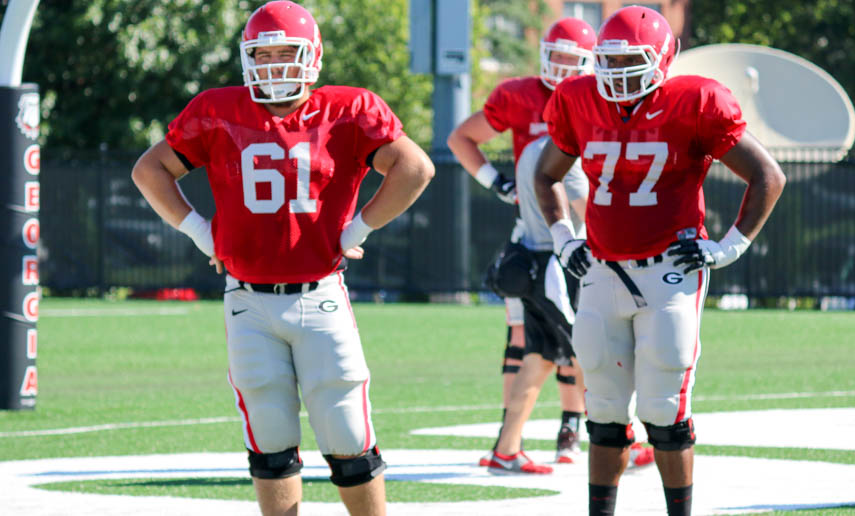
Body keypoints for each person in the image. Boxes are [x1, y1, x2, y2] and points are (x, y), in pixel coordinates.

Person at [131, 2, 434, 515]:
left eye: (284, 53)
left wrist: (357, 227)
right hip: (248, 300)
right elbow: (150, 169)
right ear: (246, 58)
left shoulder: (348, 109)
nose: (272, 66)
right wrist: (201, 233)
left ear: (311, 57)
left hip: (319, 295)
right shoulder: (217, 109)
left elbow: (414, 167)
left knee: (348, 436)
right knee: (270, 442)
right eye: (262, 54)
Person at [534, 6, 785, 516]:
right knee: (602, 406)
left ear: (661, 59)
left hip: (670, 270)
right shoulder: (577, 99)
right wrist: (564, 237)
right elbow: (546, 175)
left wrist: (728, 246)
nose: (618, 72)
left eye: (631, 60)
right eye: (609, 61)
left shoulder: (695, 100)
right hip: (602, 267)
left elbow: (768, 176)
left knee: (663, 407)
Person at [448, 17, 598, 472]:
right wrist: (497, 182)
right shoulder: (554, 141)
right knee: (588, 346)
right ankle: (619, 437)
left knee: (540, 351)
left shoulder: (544, 142)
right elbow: (584, 205)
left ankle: (513, 444)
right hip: (559, 253)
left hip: (539, 253)